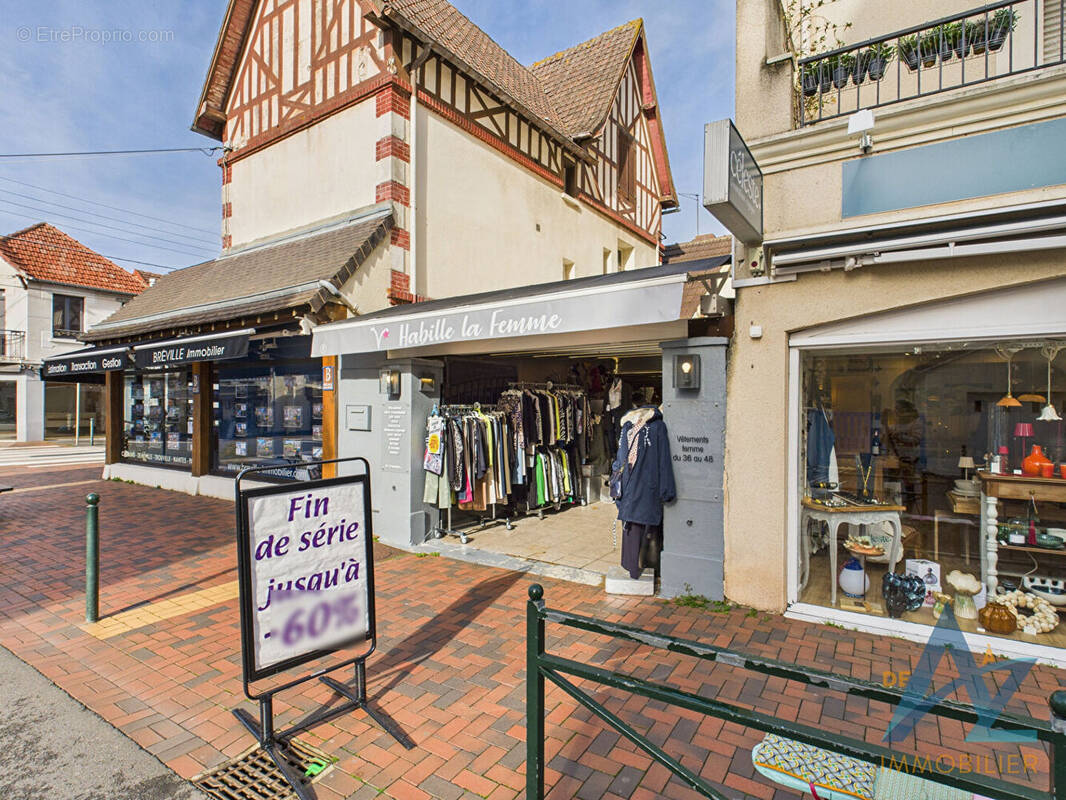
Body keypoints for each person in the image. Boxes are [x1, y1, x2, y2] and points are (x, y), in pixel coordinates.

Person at [612, 396, 676, 579]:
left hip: (636, 482)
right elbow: (662, 460)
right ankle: (636, 568)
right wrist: (667, 490)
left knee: (635, 526)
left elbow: (621, 457)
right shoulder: (644, 427)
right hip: (640, 483)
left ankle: (633, 568)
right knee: (639, 527)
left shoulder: (640, 427)